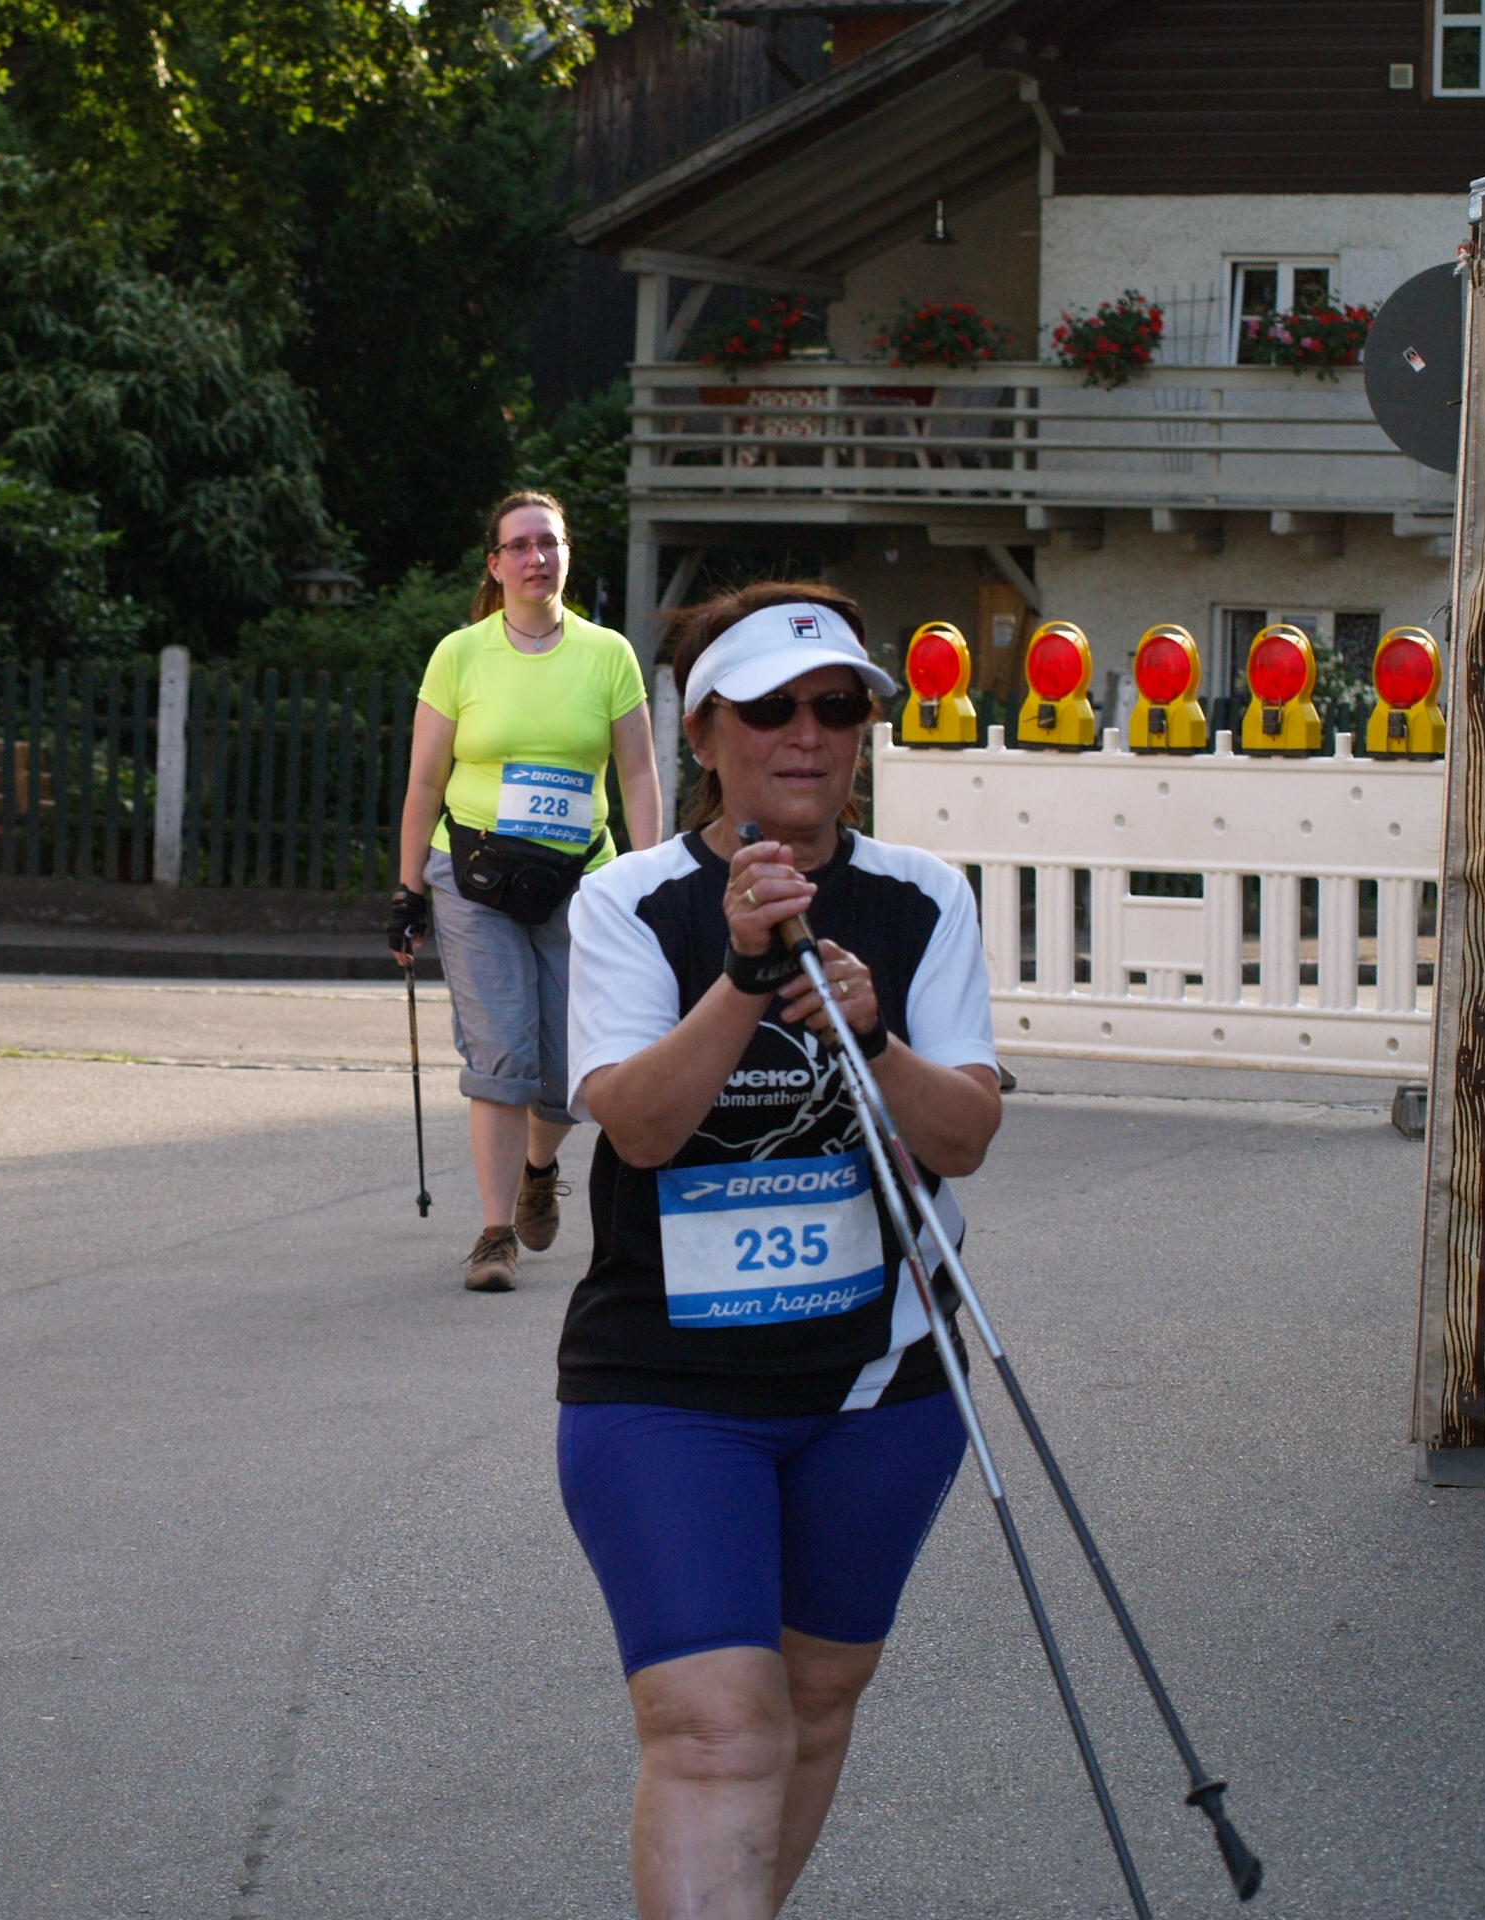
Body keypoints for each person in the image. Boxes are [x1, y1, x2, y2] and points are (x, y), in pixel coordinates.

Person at [557, 581, 1004, 1919]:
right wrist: (744, 979)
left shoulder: (923, 898)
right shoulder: (632, 902)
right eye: (768, 709)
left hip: (881, 1385)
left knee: (811, 1705)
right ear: (704, 733)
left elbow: (964, 1134)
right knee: (715, 1730)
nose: (807, 734)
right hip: (668, 1388)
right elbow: (640, 1128)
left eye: (838, 707)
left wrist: (872, 1036)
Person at [388, 490, 663, 1292]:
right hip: (475, 877)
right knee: (503, 1053)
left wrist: (647, 879)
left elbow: (639, 774)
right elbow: (424, 780)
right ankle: (495, 1234)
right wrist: (407, 892)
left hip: (583, 882)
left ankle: (539, 1169)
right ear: (495, 564)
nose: (536, 557)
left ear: (566, 555)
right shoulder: (460, 655)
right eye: (520, 545)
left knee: (573, 1069)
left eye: (550, 542)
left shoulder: (608, 654)